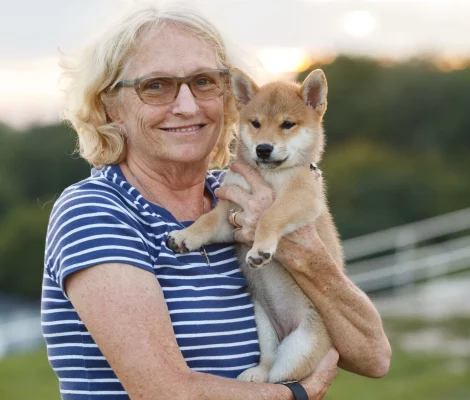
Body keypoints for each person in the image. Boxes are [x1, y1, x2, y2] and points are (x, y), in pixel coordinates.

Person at [41, 4, 391, 399]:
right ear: (109, 106)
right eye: (155, 85)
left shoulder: (241, 194)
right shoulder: (96, 212)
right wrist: (294, 395)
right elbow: (164, 392)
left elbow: (374, 358)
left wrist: (302, 248)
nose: (187, 106)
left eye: (204, 82)